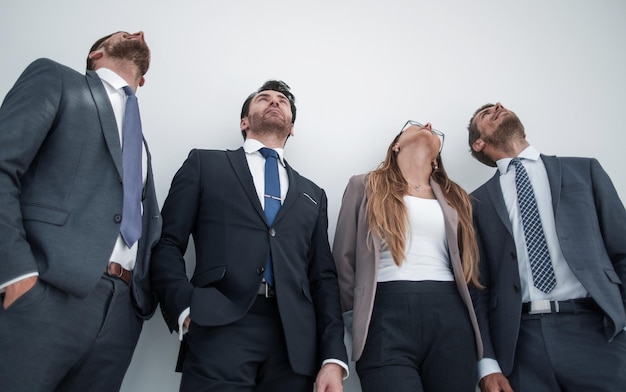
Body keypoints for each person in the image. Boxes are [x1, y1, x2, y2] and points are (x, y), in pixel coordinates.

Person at [150, 80, 348, 392]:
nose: (274, 102)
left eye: (282, 100)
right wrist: (186, 309)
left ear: (292, 127)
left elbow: (323, 279)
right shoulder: (205, 163)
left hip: (294, 341)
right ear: (244, 121)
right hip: (218, 325)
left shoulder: (314, 194)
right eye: (263, 98)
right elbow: (168, 243)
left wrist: (333, 358)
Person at [0, 31, 161, 391]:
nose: (140, 34)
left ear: (143, 81)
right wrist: (15, 273)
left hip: (121, 312)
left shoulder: (143, 145)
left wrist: (137, 303)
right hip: (45, 294)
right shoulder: (56, 79)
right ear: (97, 54)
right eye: (125, 33)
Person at [467, 102, 626, 392]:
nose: (498, 107)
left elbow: (622, 250)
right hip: (521, 344)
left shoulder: (584, 170)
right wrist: (487, 364)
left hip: (597, 330)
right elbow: (477, 288)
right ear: (479, 143)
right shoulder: (474, 203)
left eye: (499, 105)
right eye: (486, 113)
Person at [333, 120, 483, 391]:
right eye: (414, 124)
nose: (427, 124)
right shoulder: (364, 186)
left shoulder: (456, 197)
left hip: (450, 316)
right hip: (384, 317)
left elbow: (470, 266)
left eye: (434, 129)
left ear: (436, 158)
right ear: (396, 145)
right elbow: (344, 259)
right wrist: (356, 317)